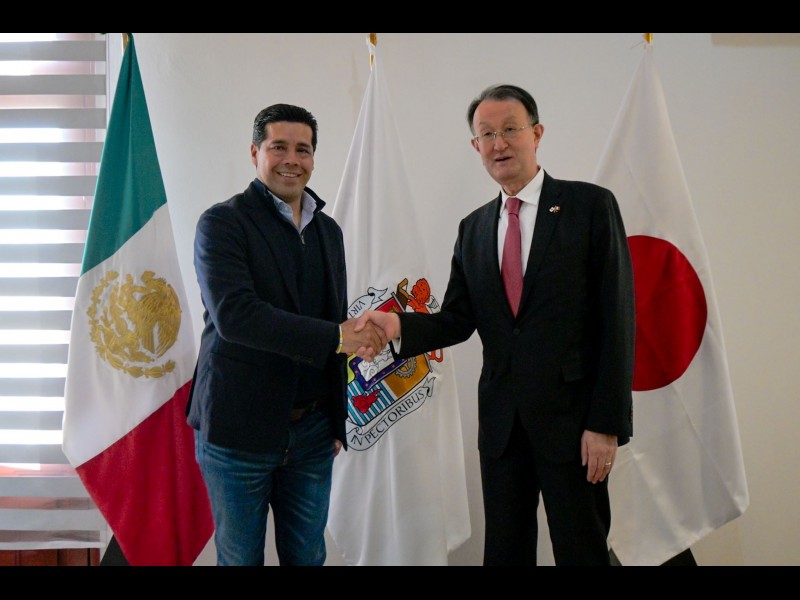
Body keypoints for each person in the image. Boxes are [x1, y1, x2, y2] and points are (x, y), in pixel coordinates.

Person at [356, 84, 635, 565]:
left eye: (510, 129)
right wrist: (396, 324)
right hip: (503, 426)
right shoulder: (474, 228)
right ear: (475, 145)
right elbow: (458, 320)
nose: (499, 143)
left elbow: (618, 319)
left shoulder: (589, 207)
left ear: (537, 134)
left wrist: (605, 424)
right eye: (487, 134)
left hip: (575, 425)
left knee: (583, 551)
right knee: (505, 553)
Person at [186, 103, 386, 566]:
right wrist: (338, 337)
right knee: (240, 559)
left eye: (303, 149)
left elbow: (334, 317)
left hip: (313, 432)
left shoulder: (328, 231)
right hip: (237, 431)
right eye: (279, 147)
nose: (292, 160)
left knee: (308, 557)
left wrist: (335, 418)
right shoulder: (222, 224)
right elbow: (237, 317)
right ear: (255, 152)